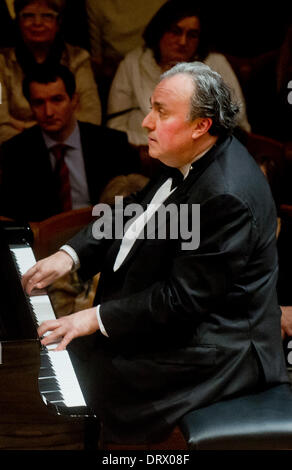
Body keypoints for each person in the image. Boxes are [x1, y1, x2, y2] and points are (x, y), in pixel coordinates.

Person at [22, 62, 288, 445]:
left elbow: (182, 300)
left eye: (161, 112)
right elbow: (137, 207)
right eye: (151, 107)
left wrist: (93, 318)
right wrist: (69, 255)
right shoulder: (191, 155)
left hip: (218, 350)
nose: (146, 122)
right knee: (74, 347)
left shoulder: (225, 194)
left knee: (84, 369)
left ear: (201, 125)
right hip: (187, 321)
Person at [0, 64, 140, 222]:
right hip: (45, 240)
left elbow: (136, 206)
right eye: (39, 103)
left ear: (74, 100)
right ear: (30, 106)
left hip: (104, 235)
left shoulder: (112, 143)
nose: (49, 112)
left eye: (57, 100)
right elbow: (12, 216)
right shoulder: (15, 151)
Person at [107, 0, 251, 147]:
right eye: (176, 32)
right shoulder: (133, 63)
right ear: (159, 32)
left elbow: (236, 122)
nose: (183, 42)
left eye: (192, 35)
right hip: (144, 155)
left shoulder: (216, 64)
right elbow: (115, 125)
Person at [0, 0, 101, 144]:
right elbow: (1, 124)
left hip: (72, 146)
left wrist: (24, 126)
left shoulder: (79, 58)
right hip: (16, 150)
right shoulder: (1, 64)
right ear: (18, 21)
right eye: (28, 16)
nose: (37, 23)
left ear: (58, 22)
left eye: (47, 16)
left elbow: (91, 116)